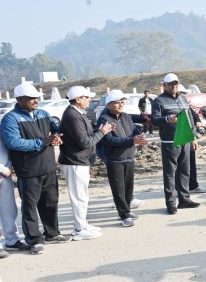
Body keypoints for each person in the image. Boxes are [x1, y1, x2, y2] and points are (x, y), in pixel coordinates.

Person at [0, 83, 69, 254]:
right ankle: (34, 239)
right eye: (31, 98)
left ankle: (52, 233)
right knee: (30, 207)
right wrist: (42, 142)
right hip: (28, 170)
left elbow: (56, 131)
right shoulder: (10, 119)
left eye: (36, 97)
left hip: (48, 166)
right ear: (19, 99)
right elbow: (14, 142)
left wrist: (57, 138)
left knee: (51, 202)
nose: (36, 100)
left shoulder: (43, 113)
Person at [58, 85, 114, 241]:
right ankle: (79, 229)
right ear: (78, 99)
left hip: (79, 160)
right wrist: (102, 132)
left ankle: (82, 224)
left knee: (82, 196)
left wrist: (99, 131)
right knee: (79, 197)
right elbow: (84, 142)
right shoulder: (73, 116)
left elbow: (86, 135)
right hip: (74, 161)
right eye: (87, 97)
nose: (89, 100)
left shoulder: (77, 113)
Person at [98, 89, 149, 227]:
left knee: (128, 187)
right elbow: (108, 140)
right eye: (117, 102)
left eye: (122, 101)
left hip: (129, 156)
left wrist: (139, 137)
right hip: (115, 159)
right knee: (118, 189)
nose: (120, 104)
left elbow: (134, 131)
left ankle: (127, 210)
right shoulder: (104, 119)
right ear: (109, 104)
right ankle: (124, 215)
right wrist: (132, 140)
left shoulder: (126, 116)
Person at [152, 73, 201, 213]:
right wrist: (167, 119)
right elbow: (154, 120)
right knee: (170, 173)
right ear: (165, 85)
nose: (174, 86)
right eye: (170, 84)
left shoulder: (182, 98)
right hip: (170, 141)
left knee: (184, 171)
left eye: (176, 83)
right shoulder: (159, 101)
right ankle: (171, 203)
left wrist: (193, 137)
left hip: (185, 139)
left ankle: (184, 199)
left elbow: (189, 118)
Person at [0, 128, 30, 253]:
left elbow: (6, 148)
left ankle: (12, 240)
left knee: (9, 208)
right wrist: (2, 169)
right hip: (3, 170)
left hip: (5, 174)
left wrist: (9, 167)